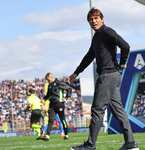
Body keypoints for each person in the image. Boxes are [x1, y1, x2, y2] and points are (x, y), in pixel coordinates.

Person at [69, 7, 139, 150]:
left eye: (96, 18)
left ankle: (90, 145)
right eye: (91, 19)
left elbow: (125, 46)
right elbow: (89, 56)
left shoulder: (107, 32)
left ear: (102, 19)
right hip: (111, 76)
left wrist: (123, 62)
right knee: (119, 111)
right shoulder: (96, 37)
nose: (93, 21)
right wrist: (76, 73)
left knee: (97, 110)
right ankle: (131, 144)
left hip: (108, 76)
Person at [41, 73, 72, 141]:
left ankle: (66, 135)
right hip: (51, 105)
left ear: (52, 77)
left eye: (48, 80)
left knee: (62, 120)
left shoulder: (59, 83)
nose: (48, 82)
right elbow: (48, 95)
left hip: (59, 104)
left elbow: (69, 89)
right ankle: (47, 136)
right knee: (50, 120)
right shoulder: (49, 85)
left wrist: (66, 98)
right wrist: (44, 99)